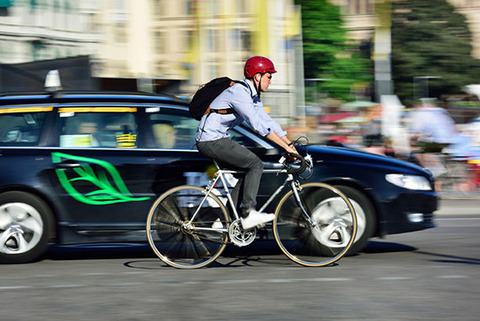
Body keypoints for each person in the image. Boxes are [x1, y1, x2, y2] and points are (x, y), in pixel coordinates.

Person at [195, 56, 297, 230]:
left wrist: (290, 144)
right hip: (210, 140)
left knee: (247, 170)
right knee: (255, 164)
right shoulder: (239, 93)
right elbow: (257, 125)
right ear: (257, 76)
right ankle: (248, 213)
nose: (270, 81)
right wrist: (284, 147)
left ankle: (226, 219)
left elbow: (268, 121)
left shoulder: (252, 96)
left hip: (217, 138)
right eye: (269, 76)